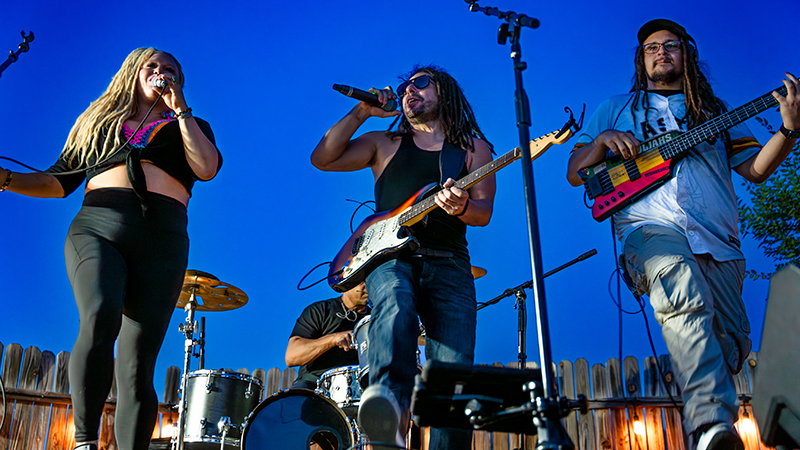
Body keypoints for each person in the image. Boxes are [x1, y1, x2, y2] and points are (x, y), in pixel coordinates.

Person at [566, 19, 799, 450]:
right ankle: (712, 424)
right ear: (642, 59)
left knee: (730, 346)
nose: (660, 52)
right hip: (649, 228)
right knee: (683, 292)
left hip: (719, 241)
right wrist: (602, 140)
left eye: (669, 45)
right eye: (651, 47)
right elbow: (575, 172)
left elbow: (756, 170)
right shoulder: (615, 107)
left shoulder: (716, 112)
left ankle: (704, 434)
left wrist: (788, 129)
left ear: (686, 54)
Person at [0, 48, 222, 450]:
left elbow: (206, 168)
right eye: (152, 66)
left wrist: (182, 111)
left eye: (170, 69)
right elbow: (57, 182)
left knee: (139, 361)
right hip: (99, 226)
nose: (161, 72)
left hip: (163, 238)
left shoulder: (192, 124)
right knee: (101, 313)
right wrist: (6, 179)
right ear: (132, 73)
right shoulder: (100, 123)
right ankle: (84, 441)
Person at [311, 65, 495, 450]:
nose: (409, 90)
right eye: (404, 86)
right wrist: (362, 112)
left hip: (449, 261)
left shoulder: (473, 149)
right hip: (389, 256)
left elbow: (483, 214)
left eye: (421, 82)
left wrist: (460, 206)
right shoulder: (385, 142)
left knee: (453, 369)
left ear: (444, 92)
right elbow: (323, 158)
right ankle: (387, 408)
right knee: (394, 303)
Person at [285, 281, 370, 390]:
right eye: (362, 281)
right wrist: (333, 339)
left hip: (362, 387)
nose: (368, 286)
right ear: (347, 283)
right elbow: (292, 356)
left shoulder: (377, 319)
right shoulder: (320, 310)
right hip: (314, 385)